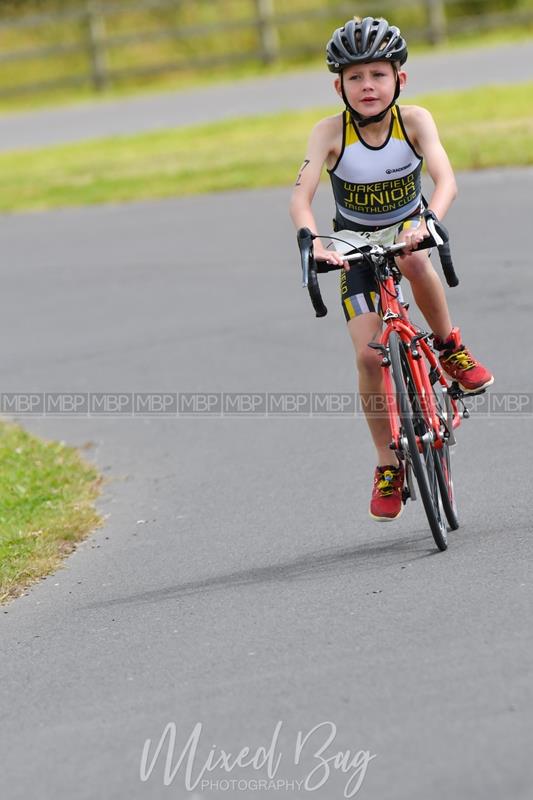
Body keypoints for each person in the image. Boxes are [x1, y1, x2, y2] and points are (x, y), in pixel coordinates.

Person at [289, 16, 493, 522]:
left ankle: (450, 350)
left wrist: (430, 220)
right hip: (351, 244)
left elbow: (445, 179)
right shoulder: (329, 132)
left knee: (414, 258)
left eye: (378, 75)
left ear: (400, 79)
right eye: (355, 78)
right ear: (338, 86)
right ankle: (387, 465)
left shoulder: (416, 121)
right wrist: (313, 240)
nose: (367, 87)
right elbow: (301, 195)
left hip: (410, 229)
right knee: (367, 358)